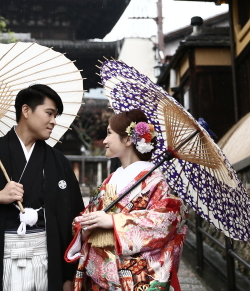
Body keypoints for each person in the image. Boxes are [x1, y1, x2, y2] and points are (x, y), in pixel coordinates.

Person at [0, 84, 85, 291]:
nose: (54, 121)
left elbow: (73, 220)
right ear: (26, 111)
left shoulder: (59, 163)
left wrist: (68, 274)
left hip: (46, 258)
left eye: (55, 116)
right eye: (49, 113)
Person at [65, 109, 188, 291]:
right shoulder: (112, 178)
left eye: (109, 133)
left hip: (129, 279)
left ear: (129, 139)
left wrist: (114, 221)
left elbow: (165, 222)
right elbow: (88, 214)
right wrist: (85, 226)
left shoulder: (155, 181)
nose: (105, 141)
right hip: (96, 276)